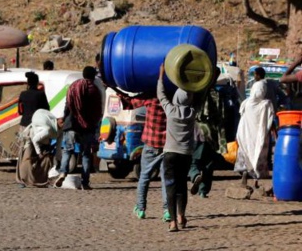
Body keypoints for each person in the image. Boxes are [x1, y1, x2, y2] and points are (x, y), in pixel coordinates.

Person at [113, 88, 169, 221]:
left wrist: (120, 94)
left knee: (144, 176)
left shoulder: (151, 96)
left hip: (151, 143)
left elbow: (130, 103)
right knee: (166, 179)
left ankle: (141, 208)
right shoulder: (172, 97)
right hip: (167, 145)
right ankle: (168, 211)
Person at [157, 63, 197, 232]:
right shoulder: (193, 112)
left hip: (170, 153)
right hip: (186, 154)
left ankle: (173, 222)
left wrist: (161, 75)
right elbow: (202, 95)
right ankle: (181, 216)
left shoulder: (171, 110)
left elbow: (161, 95)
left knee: (171, 187)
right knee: (182, 186)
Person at [55, 66, 102, 190]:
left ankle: (63, 172)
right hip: (87, 127)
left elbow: (68, 105)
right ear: (93, 76)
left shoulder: (74, 87)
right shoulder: (94, 90)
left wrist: (64, 118)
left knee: (67, 151)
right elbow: (97, 110)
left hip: (71, 125)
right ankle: (85, 183)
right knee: (86, 155)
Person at [189, 67, 224, 198]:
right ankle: (203, 191)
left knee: (194, 161)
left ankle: (195, 176)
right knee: (208, 163)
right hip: (213, 134)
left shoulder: (198, 92)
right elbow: (222, 116)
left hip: (197, 131)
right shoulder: (217, 94)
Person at [235, 80, 275, 190]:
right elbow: (271, 121)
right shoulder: (266, 104)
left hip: (245, 135)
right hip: (259, 137)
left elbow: (242, 119)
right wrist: (275, 132)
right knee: (257, 157)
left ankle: (245, 175)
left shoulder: (246, 103)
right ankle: (255, 181)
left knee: (246, 155)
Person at [16, 109, 58, 187]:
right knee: (27, 160)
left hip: (42, 139)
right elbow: (35, 140)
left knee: (46, 160)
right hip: (32, 137)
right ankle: (23, 180)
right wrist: (39, 153)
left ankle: (41, 181)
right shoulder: (47, 129)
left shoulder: (51, 127)